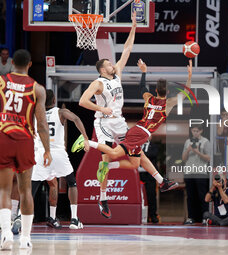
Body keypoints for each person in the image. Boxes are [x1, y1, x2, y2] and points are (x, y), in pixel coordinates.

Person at [79, 13, 178, 219]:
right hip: (104, 123)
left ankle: (161, 181)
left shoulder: (117, 76)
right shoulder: (97, 83)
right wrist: (101, 109)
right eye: (108, 64)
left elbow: (127, 49)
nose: (112, 64)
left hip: (119, 122)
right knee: (106, 158)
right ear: (102, 69)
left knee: (136, 160)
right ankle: (103, 198)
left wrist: (134, 26)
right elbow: (82, 102)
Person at [83, 59, 193, 201]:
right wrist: (189, 76)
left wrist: (144, 73)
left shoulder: (149, 98)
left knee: (135, 163)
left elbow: (142, 87)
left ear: (155, 90)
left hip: (136, 130)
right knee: (115, 153)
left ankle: (110, 166)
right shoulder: (169, 104)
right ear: (169, 92)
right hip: (141, 133)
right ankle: (87, 142)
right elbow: (186, 93)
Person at [0, 49, 52, 250]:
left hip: (3, 136)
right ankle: (25, 238)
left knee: (4, 190)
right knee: (26, 190)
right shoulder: (38, 89)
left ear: (11, 64)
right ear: (30, 64)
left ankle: (6, 234)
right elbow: (42, 124)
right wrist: (47, 150)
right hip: (25, 139)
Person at [31, 89, 89, 229]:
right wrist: (85, 138)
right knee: (71, 182)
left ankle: (21, 217)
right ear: (54, 100)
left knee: (33, 186)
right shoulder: (61, 112)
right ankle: (74, 219)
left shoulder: (35, 115)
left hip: (41, 153)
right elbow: (76, 119)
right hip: (57, 153)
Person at [182, 125, 211, 225]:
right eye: (193, 131)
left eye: (197, 131)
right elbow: (183, 158)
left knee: (202, 195)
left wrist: (197, 152)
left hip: (201, 172)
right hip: (189, 172)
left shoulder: (205, 142)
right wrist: (188, 150)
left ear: (201, 131)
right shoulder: (187, 142)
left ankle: (205, 217)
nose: (195, 133)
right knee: (190, 196)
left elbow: (208, 158)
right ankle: (191, 217)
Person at [138, 141, 159, 223]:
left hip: (150, 174)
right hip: (138, 174)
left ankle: (153, 215)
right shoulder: (136, 145)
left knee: (151, 195)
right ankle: (141, 216)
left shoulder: (154, 146)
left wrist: (140, 154)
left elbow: (153, 154)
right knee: (139, 196)